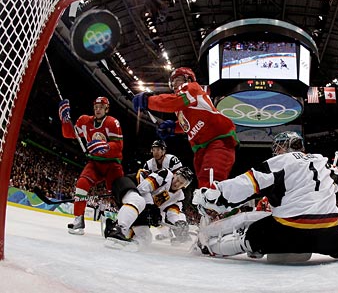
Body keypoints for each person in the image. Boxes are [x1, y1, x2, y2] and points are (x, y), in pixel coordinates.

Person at [192, 131, 338, 262]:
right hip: (329, 231)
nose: (276, 151)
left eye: (278, 147)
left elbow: (244, 185)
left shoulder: (282, 161)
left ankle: (208, 247)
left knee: (248, 236)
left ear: (285, 146)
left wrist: (212, 196)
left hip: (288, 232)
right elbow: (337, 181)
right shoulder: (325, 162)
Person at [131, 67, 239, 188]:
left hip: (217, 140)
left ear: (188, 78)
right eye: (172, 82)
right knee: (204, 188)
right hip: (200, 148)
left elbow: (174, 102)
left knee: (210, 187)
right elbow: (188, 124)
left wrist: (148, 100)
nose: (174, 84)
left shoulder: (193, 87)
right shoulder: (182, 108)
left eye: (177, 79)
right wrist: (173, 127)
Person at [58, 96, 124, 235]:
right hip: (94, 163)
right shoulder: (85, 121)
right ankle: (78, 220)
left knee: (120, 194)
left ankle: (126, 223)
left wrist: (105, 146)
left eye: (101, 107)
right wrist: (65, 121)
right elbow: (69, 134)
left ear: (107, 109)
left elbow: (118, 147)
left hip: (112, 164)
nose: (98, 110)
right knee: (82, 183)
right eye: (96, 107)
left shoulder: (113, 123)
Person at [103, 166, 195, 250]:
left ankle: (125, 239)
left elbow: (174, 213)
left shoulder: (178, 197)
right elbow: (142, 188)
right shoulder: (165, 174)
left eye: (182, 183)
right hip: (128, 185)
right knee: (139, 201)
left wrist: (180, 223)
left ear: (184, 186)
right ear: (175, 175)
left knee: (146, 237)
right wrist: (152, 208)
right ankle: (117, 229)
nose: (177, 183)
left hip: (143, 207)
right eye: (178, 179)